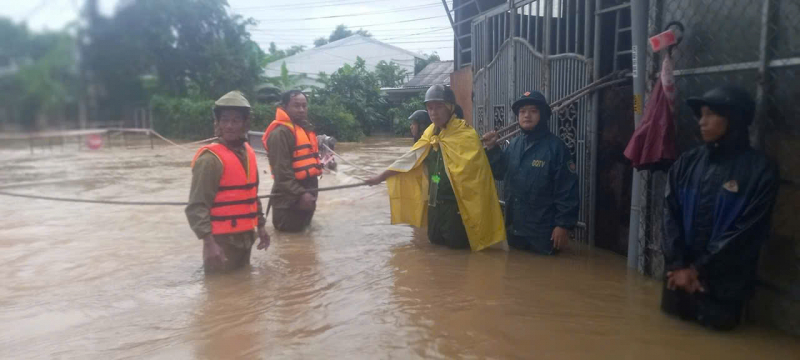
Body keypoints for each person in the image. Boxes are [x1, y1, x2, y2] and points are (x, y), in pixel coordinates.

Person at [660, 85, 779, 330]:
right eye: (700, 115)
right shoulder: (687, 163)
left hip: (721, 289)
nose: (701, 122)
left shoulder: (759, 171)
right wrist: (678, 266)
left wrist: (698, 270)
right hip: (678, 282)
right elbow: (669, 216)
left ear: (733, 119)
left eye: (710, 115)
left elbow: (745, 234)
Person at [365, 85, 505, 251]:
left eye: (439, 107)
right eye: (430, 108)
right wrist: (381, 177)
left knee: (457, 255)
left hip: (457, 208)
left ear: (450, 107)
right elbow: (409, 159)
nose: (433, 112)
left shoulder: (465, 134)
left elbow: (476, 178)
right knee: (434, 251)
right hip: (434, 206)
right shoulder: (430, 134)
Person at [482, 91, 579, 255]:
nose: (527, 115)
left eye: (533, 111)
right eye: (522, 111)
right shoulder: (514, 144)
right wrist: (492, 149)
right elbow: (500, 173)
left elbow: (567, 190)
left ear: (543, 115)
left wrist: (562, 225)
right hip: (515, 230)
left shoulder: (556, 148)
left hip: (543, 235)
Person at [186, 91, 270, 273]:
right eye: (225, 120)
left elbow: (252, 195)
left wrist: (261, 227)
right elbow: (196, 206)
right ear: (218, 123)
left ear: (245, 124)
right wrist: (209, 244)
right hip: (220, 242)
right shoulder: (210, 160)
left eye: (236, 120)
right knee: (219, 293)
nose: (230, 126)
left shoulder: (248, 152)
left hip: (246, 238)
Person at [261, 90, 322, 232]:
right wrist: (301, 194)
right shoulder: (280, 133)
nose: (301, 110)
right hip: (289, 201)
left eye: (304, 106)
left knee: (305, 243)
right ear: (284, 107)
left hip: (307, 195)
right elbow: (281, 173)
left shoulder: (304, 130)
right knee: (289, 239)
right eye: (296, 106)